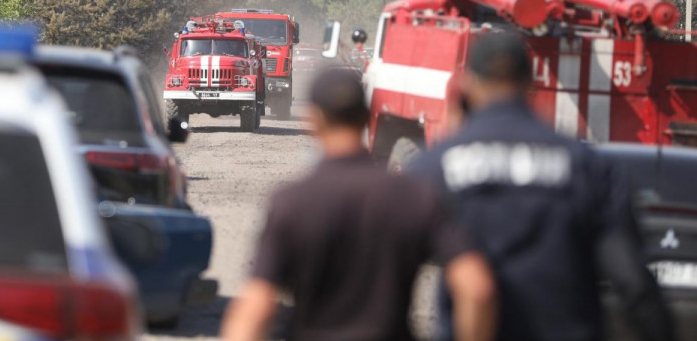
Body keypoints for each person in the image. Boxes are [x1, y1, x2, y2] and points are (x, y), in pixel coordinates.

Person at [409, 32, 675, 341]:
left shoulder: (435, 167)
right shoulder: (586, 165)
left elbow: (391, 274)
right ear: (529, 82)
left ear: (469, 84)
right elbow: (633, 283)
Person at [221, 68, 496, 341]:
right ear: (367, 118)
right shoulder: (415, 195)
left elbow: (255, 309)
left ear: (314, 122)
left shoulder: (292, 202)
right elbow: (475, 287)